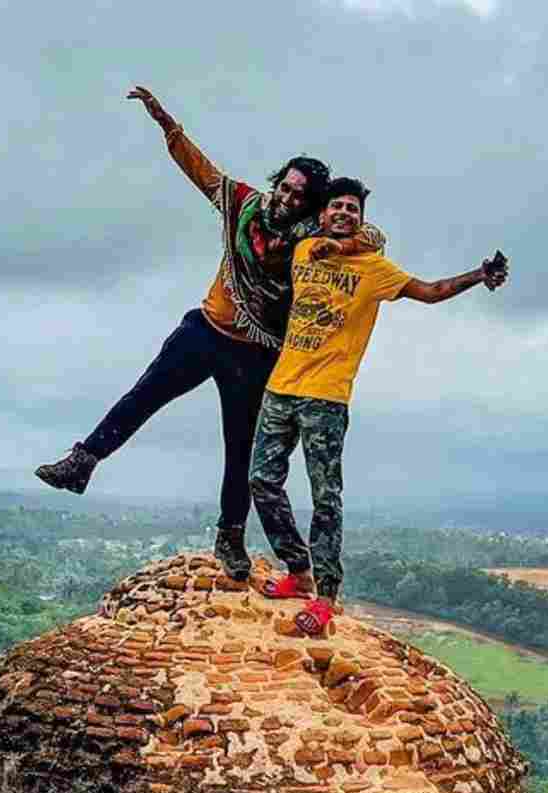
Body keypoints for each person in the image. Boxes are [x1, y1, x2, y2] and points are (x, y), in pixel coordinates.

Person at [35, 87, 383, 582]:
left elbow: (372, 239)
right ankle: (82, 461)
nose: (286, 197)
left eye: (298, 194)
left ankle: (230, 536)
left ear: (311, 203)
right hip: (205, 331)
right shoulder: (242, 204)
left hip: (257, 352)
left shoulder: (314, 241)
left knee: (240, 448)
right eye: (284, 186)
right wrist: (166, 125)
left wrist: (357, 236)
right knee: (143, 395)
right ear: (276, 182)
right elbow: (200, 169)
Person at [250, 177, 508, 636]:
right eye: (337, 207)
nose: (345, 213)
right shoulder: (304, 249)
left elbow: (431, 291)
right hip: (280, 387)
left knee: (325, 497)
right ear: (323, 214)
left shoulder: (376, 268)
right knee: (262, 481)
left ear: (362, 220)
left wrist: (477, 274)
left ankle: (326, 597)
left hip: (326, 396)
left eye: (353, 208)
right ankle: (298, 570)